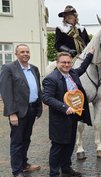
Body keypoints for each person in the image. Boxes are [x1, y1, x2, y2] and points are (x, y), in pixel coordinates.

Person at [42, 50, 94, 177]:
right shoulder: (51, 79)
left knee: (70, 144)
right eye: (63, 62)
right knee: (58, 146)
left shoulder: (72, 73)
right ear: (57, 63)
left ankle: (66, 168)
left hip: (74, 116)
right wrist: (64, 107)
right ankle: (54, 173)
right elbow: (46, 98)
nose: (66, 65)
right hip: (60, 118)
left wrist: (90, 54)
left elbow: (82, 67)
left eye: (69, 62)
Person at [0, 44, 43, 177]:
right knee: (17, 141)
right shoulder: (8, 68)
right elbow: (6, 92)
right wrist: (11, 113)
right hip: (18, 112)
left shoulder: (34, 69)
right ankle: (17, 170)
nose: (25, 54)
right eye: (22, 52)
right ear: (16, 54)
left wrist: (39, 107)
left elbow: (37, 89)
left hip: (32, 109)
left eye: (27, 52)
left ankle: (24, 164)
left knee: (26, 139)